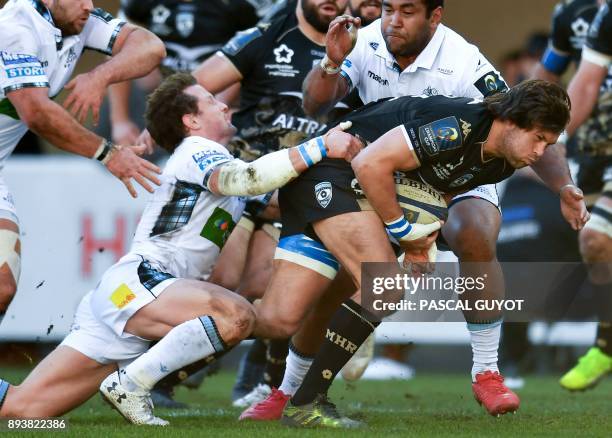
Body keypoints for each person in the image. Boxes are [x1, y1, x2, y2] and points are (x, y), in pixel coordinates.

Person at [245, 0, 586, 422]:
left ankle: (486, 371)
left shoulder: (465, 64)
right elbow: (317, 110)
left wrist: (564, 186)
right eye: (388, 8)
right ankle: (288, 389)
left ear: (435, 16)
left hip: (420, 174)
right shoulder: (369, 47)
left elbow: (532, 128)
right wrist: (331, 64)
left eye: (407, 11)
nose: (393, 20)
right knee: (358, 288)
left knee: (469, 235)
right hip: (357, 171)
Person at [0, 72, 362, 424]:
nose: (223, 106)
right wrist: (320, 146)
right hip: (144, 283)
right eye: (211, 101)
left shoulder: (218, 159)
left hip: (131, 296)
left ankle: (130, 382)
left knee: (23, 412)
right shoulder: (196, 150)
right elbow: (246, 180)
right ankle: (130, 385)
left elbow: (276, 198)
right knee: (235, 317)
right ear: (191, 120)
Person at [192, 0, 364, 406]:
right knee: (223, 280)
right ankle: (162, 368)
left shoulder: (363, 45)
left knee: (260, 292)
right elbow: (193, 88)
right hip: (240, 182)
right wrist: (193, 130)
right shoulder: (271, 33)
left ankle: (244, 373)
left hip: (293, 194)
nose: (333, 2)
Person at [0, 0, 166, 322]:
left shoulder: (78, 21)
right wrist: (106, 154)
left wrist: (100, 76)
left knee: (3, 286)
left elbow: (150, 46)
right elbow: (36, 113)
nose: (89, 5)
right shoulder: (15, 30)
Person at [537, 0, 612, 391]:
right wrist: (551, 134)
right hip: (597, 147)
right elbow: (584, 80)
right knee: (596, 239)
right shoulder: (584, 14)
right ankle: (607, 345)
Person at [108, 0, 272, 146]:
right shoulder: (137, 4)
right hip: (174, 102)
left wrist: (217, 113)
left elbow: (253, 54)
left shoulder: (247, 5)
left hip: (234, 104)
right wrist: (120, 121)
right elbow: (119, 52)